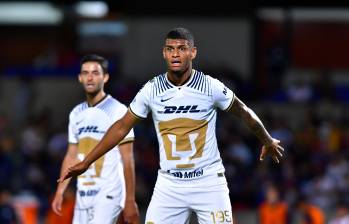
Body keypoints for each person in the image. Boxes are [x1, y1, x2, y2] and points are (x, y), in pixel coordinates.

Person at [59, 28, 284, 223]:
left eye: (182, 48)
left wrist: (267, 140)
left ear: (193, 52)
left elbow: (244, 113)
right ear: (164, 53)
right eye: (170, 48)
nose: (176, 53)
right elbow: (121, 127)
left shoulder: (210, 86)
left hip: (208, 182)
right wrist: (87, 161)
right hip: (169, 184)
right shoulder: (151, 90)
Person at [52, 54, 139, 224]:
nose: (90, 77)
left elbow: (127, 158)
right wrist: (60, 191)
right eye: (85, 73)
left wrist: (130, 199)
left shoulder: (118, 110)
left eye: (95, 72)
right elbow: (71, 155)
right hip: (83, 194)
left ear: (105, 77)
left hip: (108, 193)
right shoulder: (76, 113)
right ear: (79, 77)